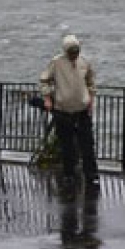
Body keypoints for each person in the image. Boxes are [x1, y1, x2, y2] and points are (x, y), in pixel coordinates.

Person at [39, 33, 99, 189]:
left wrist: (91, 99)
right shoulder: (56, 63)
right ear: (65, 51)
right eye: (71, 52)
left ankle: (91, 175)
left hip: (82, 110)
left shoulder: (85, 62)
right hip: (63, 110)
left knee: (87, 145)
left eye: (76, 51)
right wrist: (47, 98)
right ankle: (69, 175)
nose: (74, 54)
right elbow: (44, 80)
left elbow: (91, 81)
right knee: (67, 146)